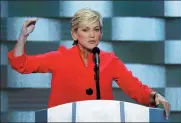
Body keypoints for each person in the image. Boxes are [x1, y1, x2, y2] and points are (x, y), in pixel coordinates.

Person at [8, 8, 170, 119]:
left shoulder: (109, 60)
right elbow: (21, 64)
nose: (92, 35)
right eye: (85, 30)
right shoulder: (59, 57)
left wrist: (155, 97)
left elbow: (136, 89)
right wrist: (23, 36)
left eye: (96, 29)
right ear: (74, 34)